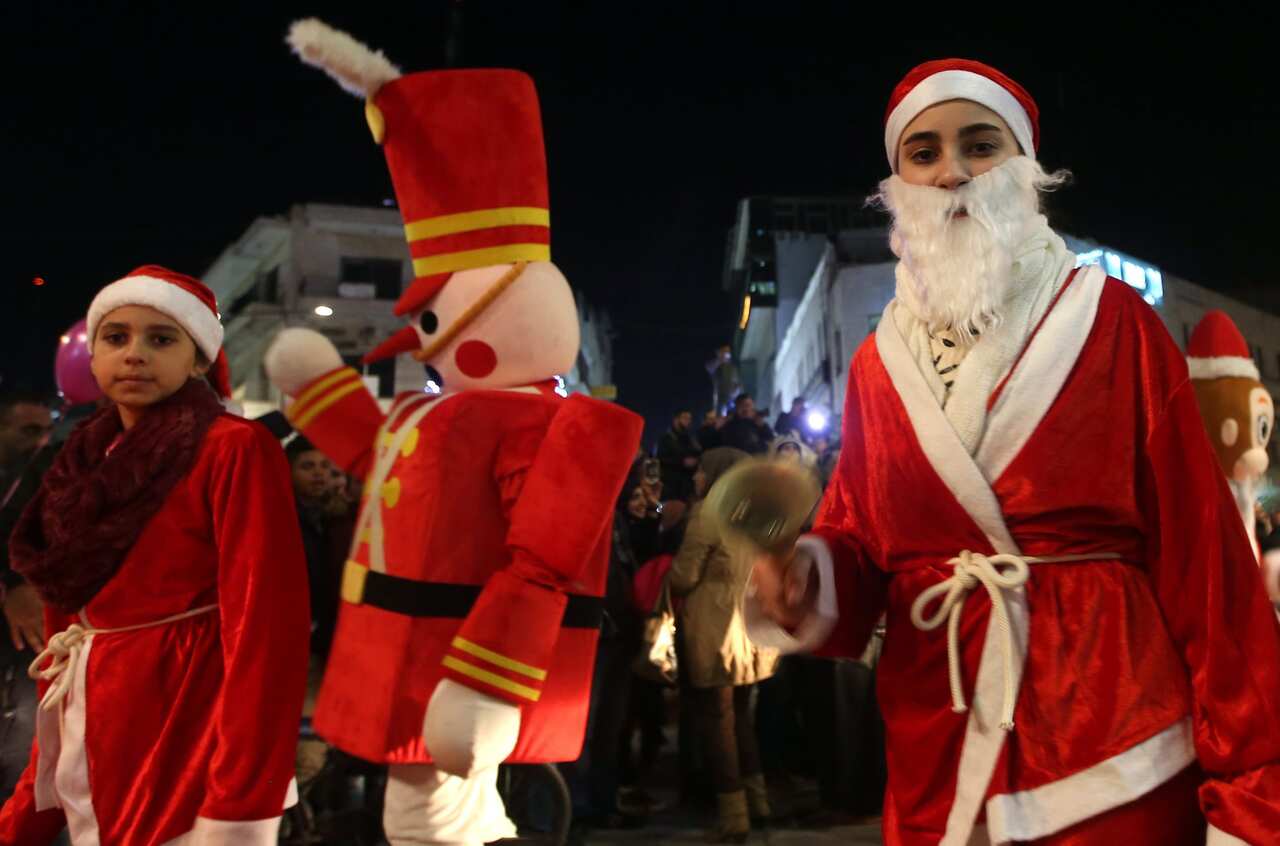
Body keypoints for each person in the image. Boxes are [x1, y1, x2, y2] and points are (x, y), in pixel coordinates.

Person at [748, 59, 1280, 845]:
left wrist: (1251, 789)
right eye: (923, 153)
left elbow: (1205, 564)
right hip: (941, 734)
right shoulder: (874, 365)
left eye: (980, 144)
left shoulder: (1116, 322)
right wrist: (807, 581)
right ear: (898, 182)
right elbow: (861, 536)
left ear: (1026, 165)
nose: (953, 170)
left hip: (1113, 743)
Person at [273, 20, 643, 846]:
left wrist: (489, 681)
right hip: (403, 656)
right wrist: (319, 391)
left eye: (436, 316)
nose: (425, 340)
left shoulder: (541, 425)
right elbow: (381, 464)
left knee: (427, 821)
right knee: (452, 816)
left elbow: (546, 556)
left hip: (448, 663)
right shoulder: (447, 412)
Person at [0, 265, 310, 844]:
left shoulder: (235, 447)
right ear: (92, 358)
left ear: (198, 360)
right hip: (94, 712)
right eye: (115, 338)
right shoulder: (80, 461)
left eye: (161, 338)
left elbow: (267, 623)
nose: (135, 354)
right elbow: (66, 611)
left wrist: (245, 787)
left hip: (185, 712)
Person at [669, 447, 779, 843]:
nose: (696, 477)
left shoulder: (708, 513)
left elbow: (684, 575)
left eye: (701, 470)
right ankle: (759, 802)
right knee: (742, 717)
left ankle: (733, 815)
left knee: (718, 720)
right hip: (753, 624)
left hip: (716, 624)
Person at [0, 393, 54, 807]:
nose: (41, 441)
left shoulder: (45, 482)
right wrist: (12, 585)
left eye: (47, 430)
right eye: (29, 431)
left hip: (30, 648)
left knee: (28, 758)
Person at [657, 410, 702, 502]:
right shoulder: (666, 439)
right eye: (685, 418)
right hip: (670, 486)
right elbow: (661, 459)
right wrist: (682, 462)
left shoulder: (690, 440)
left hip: (686, 488)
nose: (688, 421)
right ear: (676, 420)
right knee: (663, 509)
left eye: (689, 419)